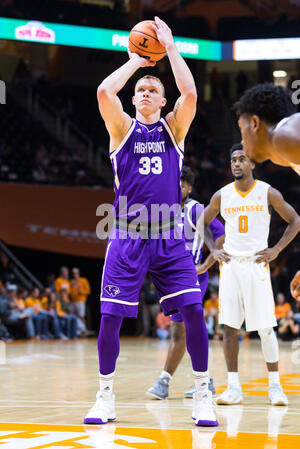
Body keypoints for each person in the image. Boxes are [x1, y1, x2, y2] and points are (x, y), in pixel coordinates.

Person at [84, 17, 218, 427]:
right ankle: (104, 397)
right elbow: (106, 92)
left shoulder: (173, 129)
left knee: (194, 312)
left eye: (153, 90)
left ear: (163, 102)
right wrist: (135, 61)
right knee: (111, 317)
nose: (144, 91)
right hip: (126, 235)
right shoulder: (121, 127)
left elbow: (191, 92)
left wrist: (171, 49)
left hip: (168, 236)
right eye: (141, 89)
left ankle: (202, 393)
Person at [203, 143, 300, 406]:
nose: (236, 164)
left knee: (266, 329)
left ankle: (275, 386)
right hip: (231, 266)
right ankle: (233, 387)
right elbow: (201, 221)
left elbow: (295, 221)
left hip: (257, 264)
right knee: (230, 328)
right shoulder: (222, 195)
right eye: (233, 160)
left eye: (242, 159)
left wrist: (277, 249)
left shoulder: (267, 193)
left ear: (252, 164)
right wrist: (214, 250)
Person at [147, 165, 224, 400]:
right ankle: (203, 381)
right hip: (171, 279)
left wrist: (205, 265)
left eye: (181, 185)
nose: (176, 188)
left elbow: (221, 234)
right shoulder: (164, 211)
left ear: (189, 187)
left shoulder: (195, 209)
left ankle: (165, 381)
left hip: (192, 277)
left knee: (182, 330)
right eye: (174, 184)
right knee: (180, 331)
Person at [234, 82, 300, 175]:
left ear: (255, 123)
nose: (242, 142)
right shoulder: (283, 153)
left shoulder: (282, 136)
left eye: (241, 128)